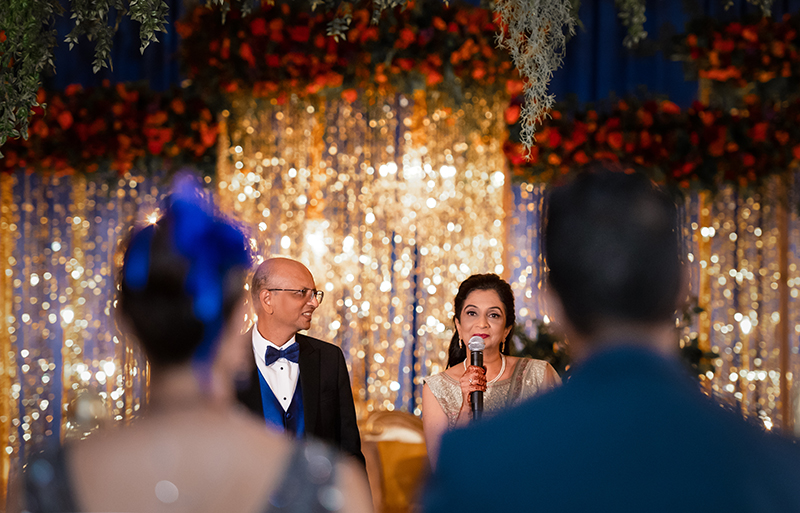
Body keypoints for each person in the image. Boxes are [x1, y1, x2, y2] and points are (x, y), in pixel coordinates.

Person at [424, 169, 800, 512]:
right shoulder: (776, 465)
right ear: (684, 289)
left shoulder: (474, 462)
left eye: (493, 314)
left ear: (550, 302)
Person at [24, 179, 372, 513]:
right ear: (240, 319)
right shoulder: (331, 483)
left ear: (127, 324)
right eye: (301, 293)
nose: (311, 301)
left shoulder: (48, 479)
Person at [236, 257, 365, 465]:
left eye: (315, 294)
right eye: (302, 293)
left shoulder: (329, 358)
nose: (314, 302)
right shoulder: (225, 362)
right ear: (267, 299)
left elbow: (349, 452)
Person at [422, 273, 560, 466]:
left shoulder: (539, 374)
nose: (482, 323)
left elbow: (560, 449)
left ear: (506, 330)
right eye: (472, 313)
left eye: (493, 315)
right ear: (458, 326)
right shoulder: (436, 387)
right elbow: (442, 469)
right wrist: (465, 409)